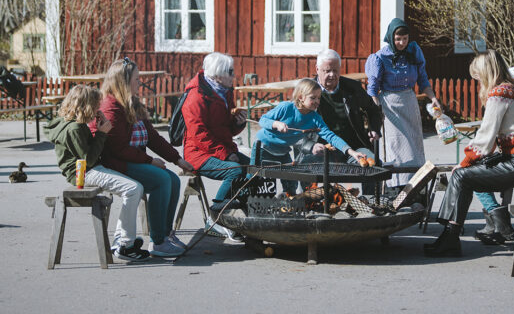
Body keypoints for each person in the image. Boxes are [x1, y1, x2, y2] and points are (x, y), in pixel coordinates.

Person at [425, 50, 514, 257]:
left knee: (462, 174)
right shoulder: (513, 89)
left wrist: (464, 162)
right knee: (464, 174)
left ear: (487, 72)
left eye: (478, 75)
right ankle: (450, 235)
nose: (477, 80)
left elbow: (485, 137)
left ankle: (450, 235)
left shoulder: (499, 93)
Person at [90, 58, 195, 258]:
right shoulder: (110, 108)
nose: (140, 83)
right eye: (136, 79)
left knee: (172, 179)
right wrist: (149, 161)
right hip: (115, 163)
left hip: (131, 160)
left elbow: (153, 137)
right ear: (123, 81)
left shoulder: (132, 104)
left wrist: (177, 159)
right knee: (161, 180)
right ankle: (158, 242)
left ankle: (165, 234)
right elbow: (118, 149)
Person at [45, 85, 149, 261]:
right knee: (133, 189)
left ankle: (124, 240)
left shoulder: (67, 123)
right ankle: (124, 244)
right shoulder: (75, 129)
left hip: (86, 170)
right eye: (95, 106)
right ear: (86, 106)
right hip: (84, 173)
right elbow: (88, 159)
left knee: (133, 188)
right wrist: (101, 134)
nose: (97, 110)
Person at [255, 78, 366, 196]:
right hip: (263, 147)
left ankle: (289, 207)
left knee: (291, 184)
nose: (317, 101)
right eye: (313, 98)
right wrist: (275, 124)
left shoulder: (314, 118)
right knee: (257, 180)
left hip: (283, 151)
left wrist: (351, 151)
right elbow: (263, 120)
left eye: (319, 98)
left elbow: (331, 136)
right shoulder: (286, 107)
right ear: (301, 97)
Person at [365, 18, 441, 189]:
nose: (401, 43)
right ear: (391, 38)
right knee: (395, 146)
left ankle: (417, 185)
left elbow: (422, 80)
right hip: (389, 104)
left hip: (409, 101)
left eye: (405, 39)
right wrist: (378, 110)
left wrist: (433, 98)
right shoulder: (379, 58)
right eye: (398, 39)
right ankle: (396, 187)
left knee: (414, 145)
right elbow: (372, 90)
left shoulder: (414, 52)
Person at [181, 52, 248, 240]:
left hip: (220, 149)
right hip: (197, 153)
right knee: (234, 170)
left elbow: (227, 129)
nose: (234, 75)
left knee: (253, 169)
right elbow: (199, 135)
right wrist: (226, 154)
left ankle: (237, 215)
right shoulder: (196, 96)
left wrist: (238, 123)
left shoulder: (224, 91)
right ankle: (214, 218)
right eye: (230, 72)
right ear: (218, 74)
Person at [299, 49, 382, 195]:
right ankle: (308, 204)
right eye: (327, 70)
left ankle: (370, 204)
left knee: (372, 163)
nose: (332, 75)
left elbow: (374, 110)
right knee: (305, 165)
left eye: (336, 70)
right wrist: (310, 145)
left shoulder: (352, 88)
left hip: (354, 148)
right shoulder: (306, 90)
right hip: (322, 149)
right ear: (317, 69)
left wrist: (374, 129)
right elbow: (293, 124)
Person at [473, 66, 514, 244]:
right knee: (478, 170)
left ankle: (499, 222)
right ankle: (496, 223)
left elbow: (497, 135)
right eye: (513, 84)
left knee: (475, 176)